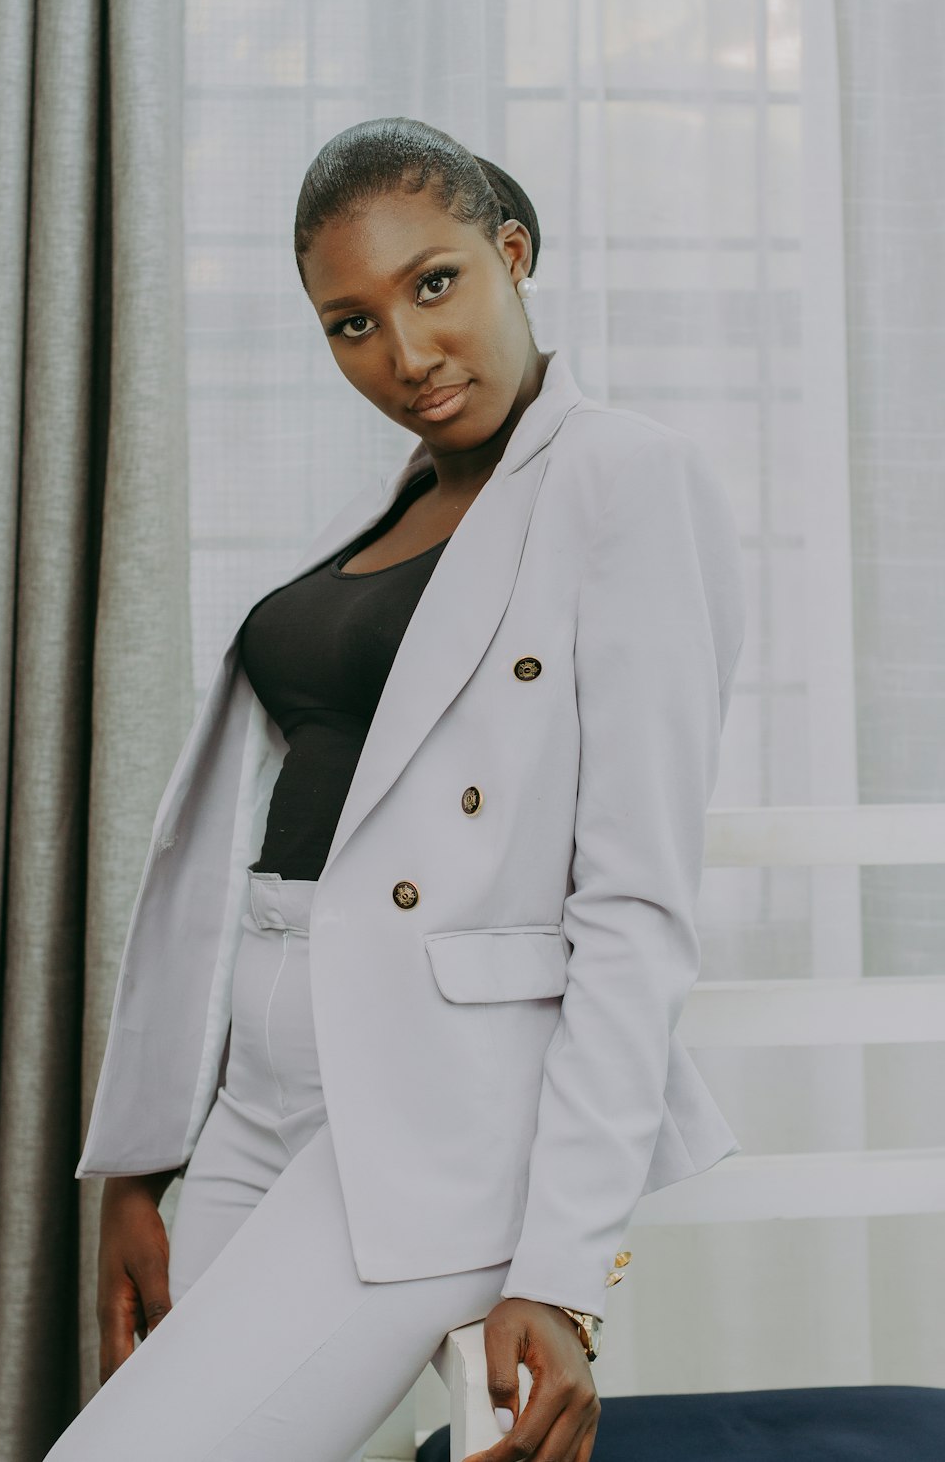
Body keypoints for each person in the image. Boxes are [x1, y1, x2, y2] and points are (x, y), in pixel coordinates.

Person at [45, 116, 746, 1462]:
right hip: (253, 1091)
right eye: (350, 324)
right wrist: (139, 1160)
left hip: (435, 1111)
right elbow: (222, 865)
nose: (408, 354)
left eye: (436, 284)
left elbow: (634, 906)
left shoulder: (622, 478)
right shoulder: (382, 507)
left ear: (514, 252)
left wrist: (565, 1271)